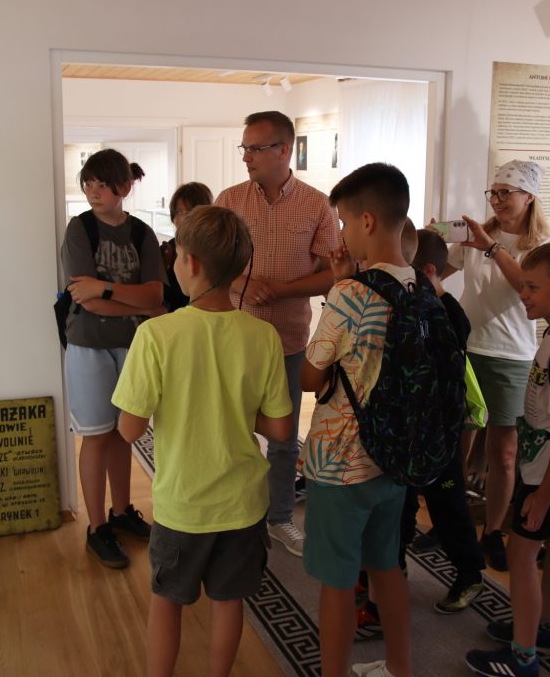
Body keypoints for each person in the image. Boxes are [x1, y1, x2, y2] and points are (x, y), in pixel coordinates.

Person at [112, 205, 293, 677]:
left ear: (190, 263)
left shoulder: (156, 335)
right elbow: (280, 430)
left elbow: (129, 429)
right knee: (229, 601)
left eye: (175, 255)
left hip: (183, 505)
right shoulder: (263, 336)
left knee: (167, 600)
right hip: (243, 504)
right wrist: (236, 407)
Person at [299, 163, 414, 677]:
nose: (342, 233)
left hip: (340, 461)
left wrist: (341, 288)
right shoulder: (420, 287)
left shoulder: (352, 294)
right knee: (387, 567)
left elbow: (310, 374)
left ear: (367, 221)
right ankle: (399, 668)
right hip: (394, 457)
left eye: (344, 222)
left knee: (338, 582)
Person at [216, 110, 340, 557]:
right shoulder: (229, 200)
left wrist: (282, 290)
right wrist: (240, 284)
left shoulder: (317, 204)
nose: (246, 156)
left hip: (288, 341)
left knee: (284, 437)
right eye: (244, 147)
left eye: (255, 148)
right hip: (235, 339)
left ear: (284, 150)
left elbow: (334, 273)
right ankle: (234, 515)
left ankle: (280, 517)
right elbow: (211, 262)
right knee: (231, 431)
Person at [465, 241, 550, 677]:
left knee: (520, 553)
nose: (523, 294)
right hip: (544, 467)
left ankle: (524, 655)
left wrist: (544, 491)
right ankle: (543, 627)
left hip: (547, 472)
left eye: (533, 287)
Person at [442, 159, 550, 572]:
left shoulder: (541, 247)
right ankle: (452, 522)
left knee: (503, 453)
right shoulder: (475, 235)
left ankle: (492, 531)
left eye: (507, 192)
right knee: (457, 443)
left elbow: (527, 285)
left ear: (529, 196)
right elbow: (437, 271)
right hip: (467, 347)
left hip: (511, 356)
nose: (499, 199)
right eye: (495, 192)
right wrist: (430, 243)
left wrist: (490, 247)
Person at [61, 148, 167, 569]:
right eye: (88, 183)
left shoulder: (142, 233)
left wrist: (104, 288)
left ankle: (122, 511)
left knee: (125, 433)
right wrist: (135, 302)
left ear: (124, 187)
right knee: (96, 435)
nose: (93, 191)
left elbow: (156, 295)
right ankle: (97, 526)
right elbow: (84, 301)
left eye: (102, 184)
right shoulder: (80, 229)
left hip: (134, 345)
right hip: (88, 344)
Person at [408, 228, 488, 614]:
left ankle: (470, 573)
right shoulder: (417, 303)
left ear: (427, 270)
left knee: (449, 505)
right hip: (414, 427)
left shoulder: (449, 313)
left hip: (440, 430)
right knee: (407, 500)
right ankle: (391, 571)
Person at [162, 182, 214, 312]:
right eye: (178, 211)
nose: (183, 218)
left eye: (190, 211)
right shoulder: (166, 250)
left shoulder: (214, 249)